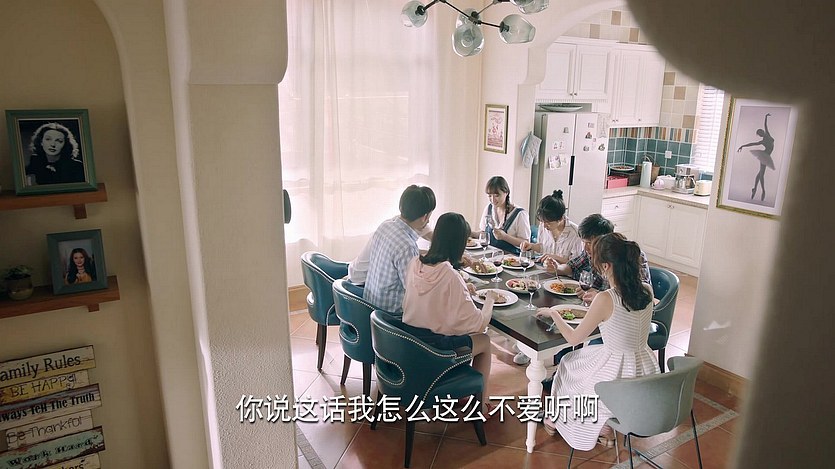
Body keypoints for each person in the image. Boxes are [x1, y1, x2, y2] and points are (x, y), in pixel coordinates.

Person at [536, 233, 659, 450]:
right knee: (580, 364)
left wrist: (553, 313)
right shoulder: (647, 290)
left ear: (606, 266)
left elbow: (574, 338)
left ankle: (561, 418)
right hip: (644, 367)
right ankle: (604, 424)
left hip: (614, 369)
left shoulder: (606, 298)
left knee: (569, 364)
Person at [402, 212, 499, 415]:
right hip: (434, 350)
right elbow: (479, 323)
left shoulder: (415, 263)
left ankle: (461, 393)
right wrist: (490, 299)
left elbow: (433, 299)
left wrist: (463, 288)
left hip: (410, 343)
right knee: (483, 340)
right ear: (459, 244)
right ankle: (481, 406)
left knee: (462, 333)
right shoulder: (450, 275)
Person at [363, 185, 436, 315]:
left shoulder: (385, 226)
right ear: (425, 217)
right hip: (390, 316)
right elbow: (415, 292)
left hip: (370, 306)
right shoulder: (407, 247)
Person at [550, 214, 650, 305]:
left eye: (589, 243)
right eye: (584, 242)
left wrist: (598, 295)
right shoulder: (590, 251)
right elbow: (573, 266)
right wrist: (557, 268)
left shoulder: (630, 255)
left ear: (604, 239)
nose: (586, 248)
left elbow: (637, 295)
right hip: (598, 304)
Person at [520, 190, 583, 265]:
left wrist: (555, 258)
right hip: (545, 268)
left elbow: (577, 265)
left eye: (548, 223)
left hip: (563, 272)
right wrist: (531, 246)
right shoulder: (544, 225)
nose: (544, 225)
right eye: (542, 221)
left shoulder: (575, 234)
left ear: (560, 219)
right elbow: (543, 247)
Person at [477, 176, 531, 255]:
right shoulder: (489, 208)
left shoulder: (520, 214)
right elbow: (483, 233)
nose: (493, 199)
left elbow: (526, 243)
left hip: (511, 258)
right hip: (490, 256)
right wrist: (469, 233)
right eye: (490, 196)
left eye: (496, 195)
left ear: (506, 193)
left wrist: (505, 237)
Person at [737, 112, 775, 202]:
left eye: (762, 132)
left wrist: (766, 117)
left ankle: (754, 188)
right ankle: (763, 191)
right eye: (761, 133)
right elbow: (752, 144)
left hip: (766, 156)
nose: (762, 133)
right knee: (762, 174)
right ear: (761, 135)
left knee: (760, 174)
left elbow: (765, 125)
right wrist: (742, 146)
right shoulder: (763, 140)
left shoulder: (767, 134)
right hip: (764, 156)